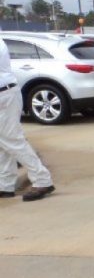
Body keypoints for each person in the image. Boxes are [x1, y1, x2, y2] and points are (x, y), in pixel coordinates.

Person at [0, 36, 55, 202]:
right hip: (6, 93)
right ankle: (5, 185)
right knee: (3, 143)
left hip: (4, 95)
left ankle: (42, 180)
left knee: (12, 141)